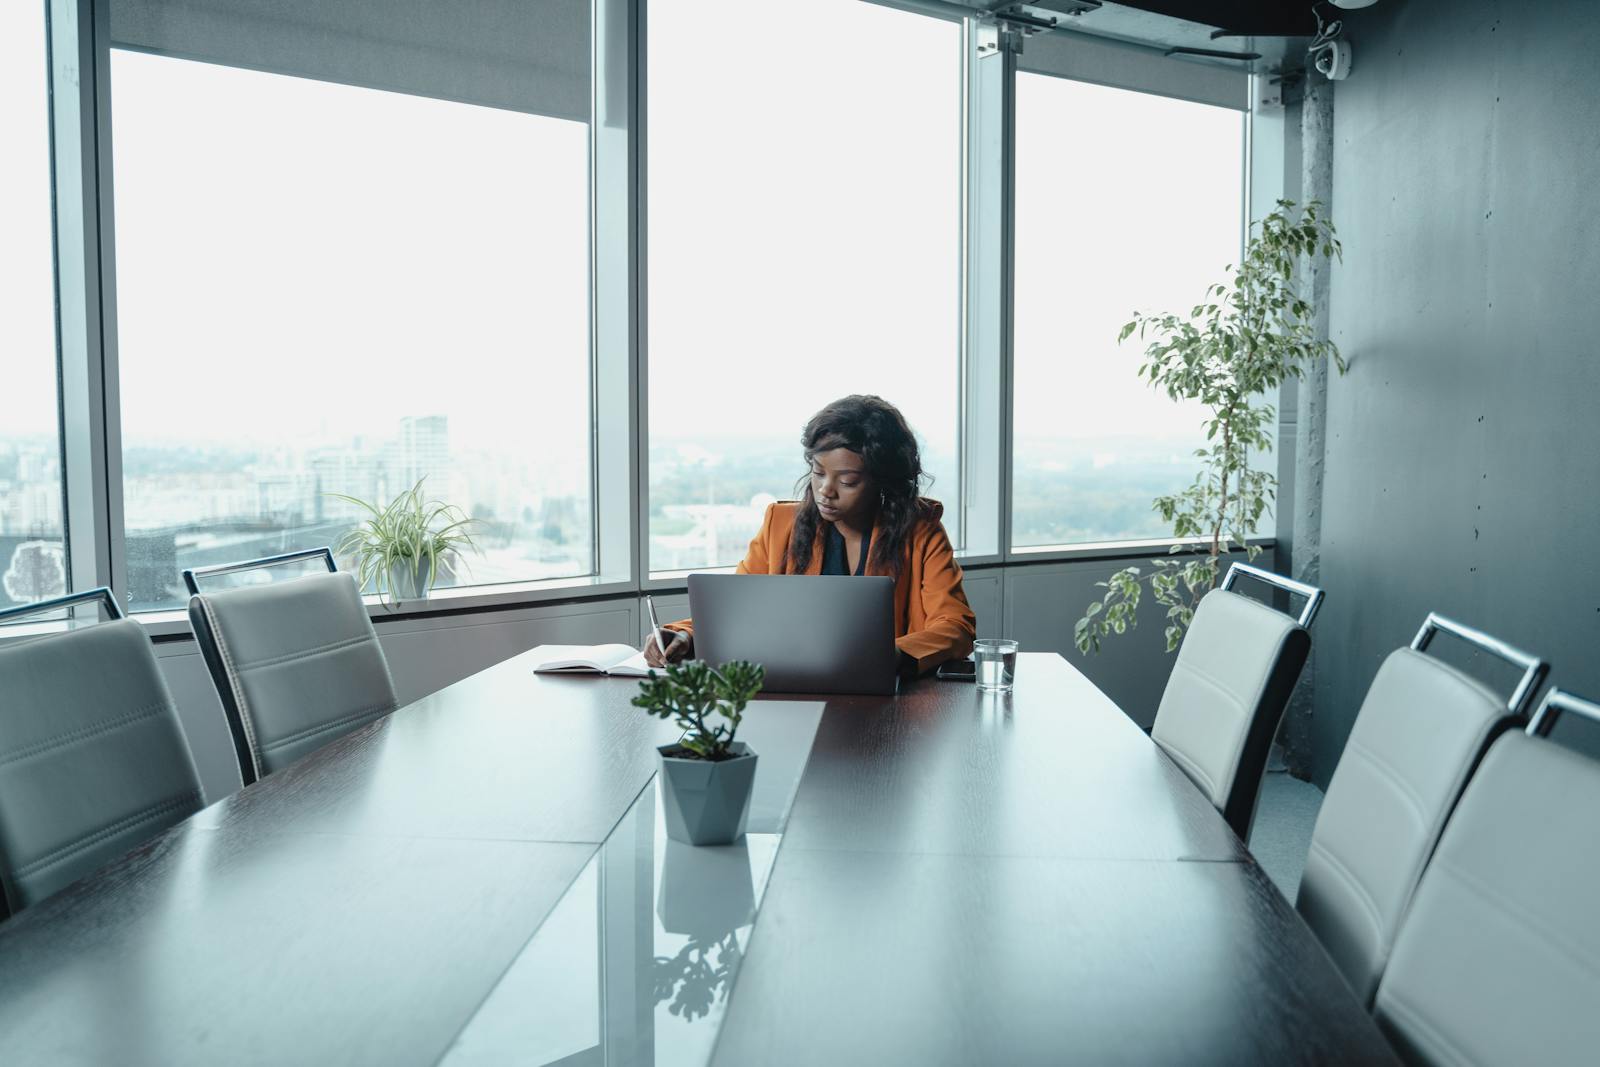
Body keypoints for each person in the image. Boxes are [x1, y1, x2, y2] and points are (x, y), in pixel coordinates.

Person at [646, 394, 976, 675]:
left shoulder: (920, 530)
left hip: (888, 698)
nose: (825, 491)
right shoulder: (780, 524)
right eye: (818, 473)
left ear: (883, 481)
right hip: (789, 690)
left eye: (847, 481)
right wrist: (684, 636)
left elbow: (955, 626)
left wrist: (893, 656)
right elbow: (737, 614)